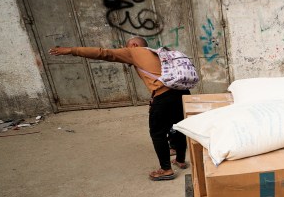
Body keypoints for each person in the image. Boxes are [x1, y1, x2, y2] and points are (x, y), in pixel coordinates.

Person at [49, 37, 189, 181]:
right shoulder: (157, 54)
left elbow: (103, 53)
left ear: (134, 45)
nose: (124, 49)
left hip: (164, 96)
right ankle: (180, 160)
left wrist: (72, 50)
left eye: (126, 46)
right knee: (178, 126)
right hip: (181, 92)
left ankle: (166, 170)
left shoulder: (135, 52)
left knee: (157, 133)